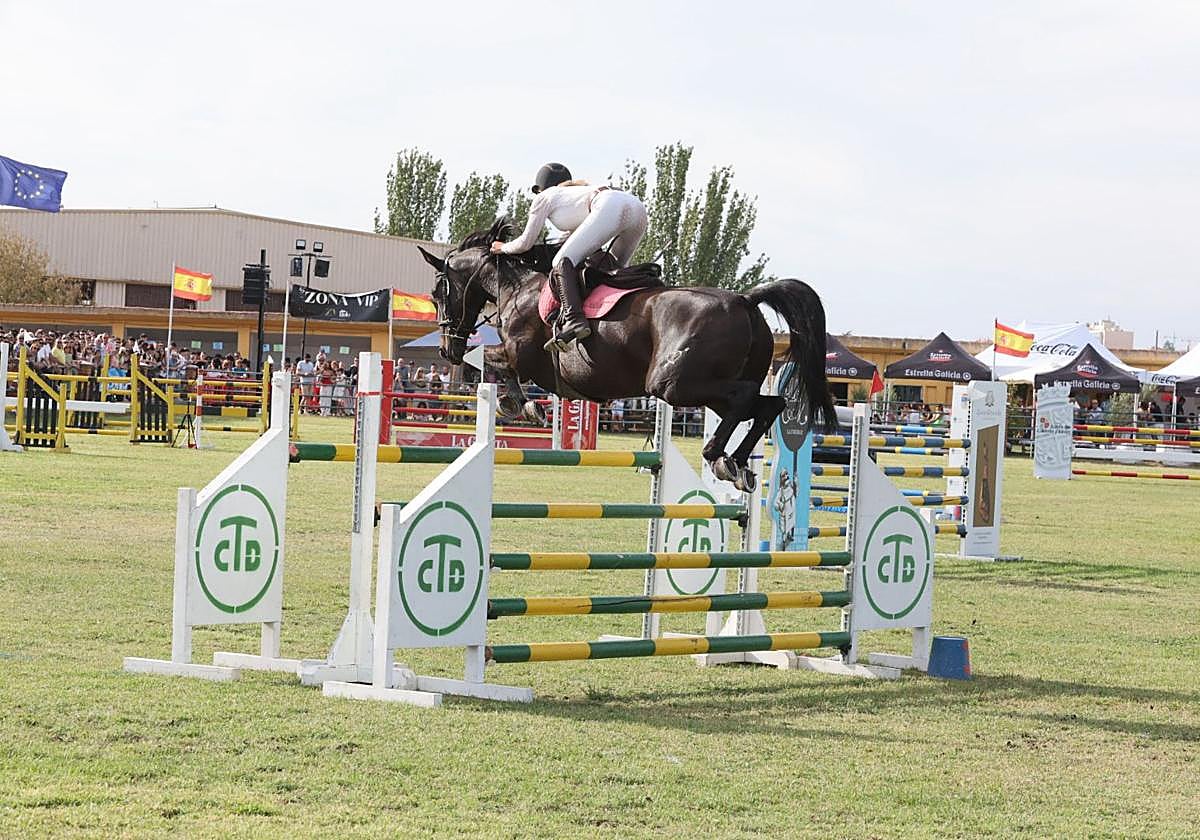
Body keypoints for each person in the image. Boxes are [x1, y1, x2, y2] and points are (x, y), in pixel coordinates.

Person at [490, 162, 649, 351]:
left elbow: (525, 243)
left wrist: (503, 247)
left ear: (541, 187)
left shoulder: (544, 196)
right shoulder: (576, 195)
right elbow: (577, 241)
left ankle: (574, 320)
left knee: (560, 262)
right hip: (637, 208)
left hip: (609, 206)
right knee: (616, 270)